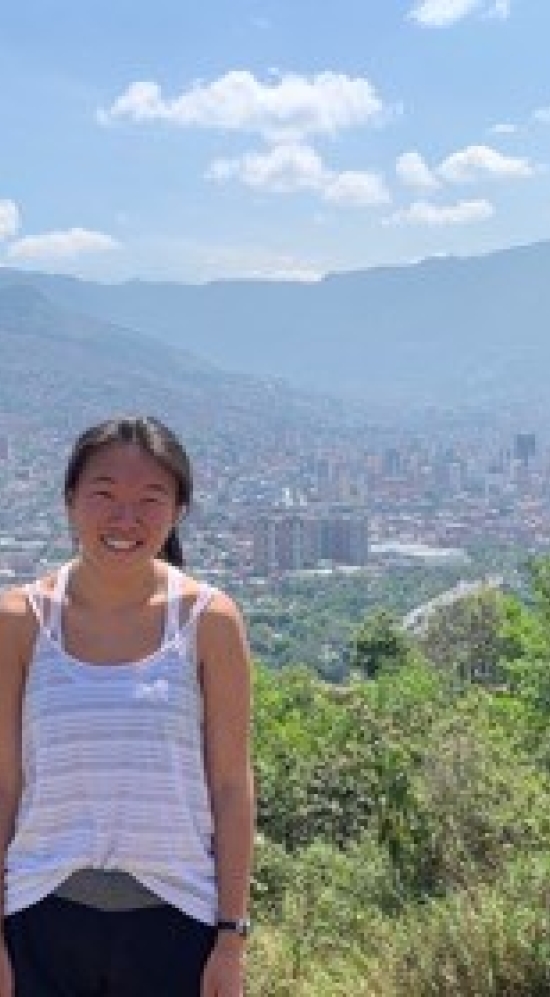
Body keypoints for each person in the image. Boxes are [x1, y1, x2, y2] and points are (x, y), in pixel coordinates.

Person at [0, 415, 254, 997]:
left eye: (150, 499)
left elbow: (231, 787)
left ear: (178, 511)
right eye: (105, 495)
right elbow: (3, 786)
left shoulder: (208, 621)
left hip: (176, 923)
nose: (125, 518)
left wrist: (229, 939)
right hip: (38, 918)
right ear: (70, 502)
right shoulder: (20, 620)